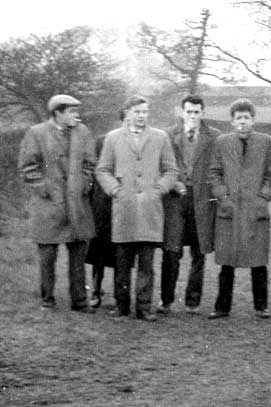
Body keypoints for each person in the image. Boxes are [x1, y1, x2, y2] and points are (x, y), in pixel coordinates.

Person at [95, 95, 178, 321]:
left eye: (145, 112)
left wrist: (159, 189)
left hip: (150, 210)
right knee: (122, 262)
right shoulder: (113, 138)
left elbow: (172, 171)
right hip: (125, 208)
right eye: (137, 112)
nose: (142, 116)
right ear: (128, 113)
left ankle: (144, 308)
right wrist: (115, 190)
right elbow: (102, 170)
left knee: (147, 264)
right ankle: (122, 308)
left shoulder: (160, 138)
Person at [18, 94, 96, 313]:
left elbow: (90, 163)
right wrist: (45, 188)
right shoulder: (36, 133)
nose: (76, 115)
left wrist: (83, 184)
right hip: (48, 208)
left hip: (77, 206)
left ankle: (79, 301)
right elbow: (27, 167)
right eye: (71, 111)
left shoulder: (84, 133)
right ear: (57, 113)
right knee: (47, 257)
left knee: (78, 256)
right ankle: (47, 298)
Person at [207, 98, 271, 319]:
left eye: (247, 118)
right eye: (239, 118)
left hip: (255, 210)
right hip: (230, 210)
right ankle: (222, 307)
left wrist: (263, 197)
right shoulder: (222, 142)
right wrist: (223, 196)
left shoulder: (266, 142)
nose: (243, 122)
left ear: (253, 120)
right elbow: (214, 173)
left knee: (258, 261)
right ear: (232, 121)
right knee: (227, 262)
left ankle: (261, 306)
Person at [158, 95, 220, 315]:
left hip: (202, 200)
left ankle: (193, 301)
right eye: (189, 112)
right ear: (181, 112)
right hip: (175, 199)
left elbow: (217, 169)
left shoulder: (214, 137)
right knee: (171, 250)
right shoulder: (166, 135)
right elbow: (160, 165)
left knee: (199, 252)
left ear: (202, 113)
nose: (193, 116)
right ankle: (166, 300)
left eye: (197, 112)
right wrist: (173, 183)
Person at [85, 123, 118, 309]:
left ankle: (117, 294)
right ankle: (96, 291)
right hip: (100, 206)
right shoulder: (101, 142)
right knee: (98, 251)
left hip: (120, 205)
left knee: (119, 252)